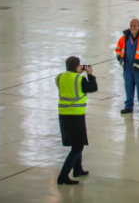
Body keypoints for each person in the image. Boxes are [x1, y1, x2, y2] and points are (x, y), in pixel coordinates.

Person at [55, 56, 98, 185]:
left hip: (63, 115)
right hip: (76, 115)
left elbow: (69, 83)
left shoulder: (59, 77)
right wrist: (90, 75)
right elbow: (92, 88)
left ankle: (77, 169)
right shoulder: (80, 79)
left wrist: (76, 72)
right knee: (78, 146)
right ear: (77, 66)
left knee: (76, 143)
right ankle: (63, 176)